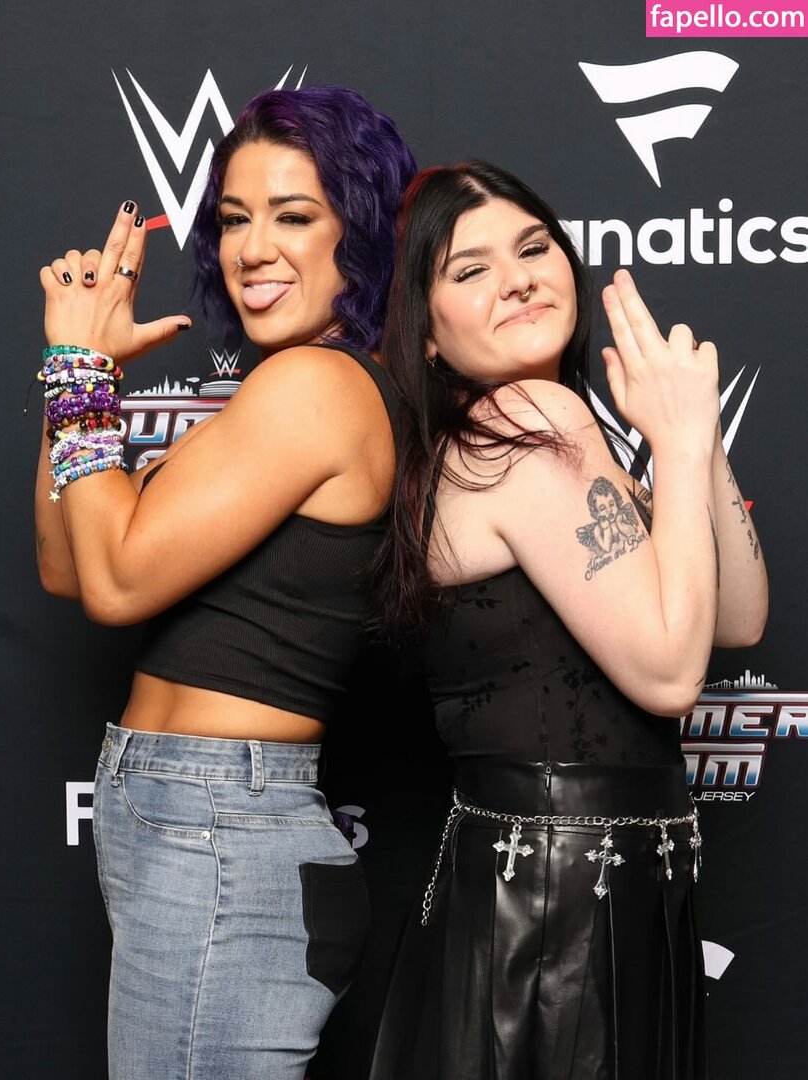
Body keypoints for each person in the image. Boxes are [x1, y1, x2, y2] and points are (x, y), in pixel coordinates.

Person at [34, 86, 416, 1080]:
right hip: (199, 822)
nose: (252, 248)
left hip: (221, 829)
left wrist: (76, 369)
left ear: (362, 233)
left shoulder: (316, 385)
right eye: (235, 219)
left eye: (294, 216)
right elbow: (71, 561)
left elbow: (116, 584)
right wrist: (86, 380)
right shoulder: (282, 391)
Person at [368, 161, 768, 1080]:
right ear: (426, 334)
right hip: (557, 909)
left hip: (580, 886)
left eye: (533, 248)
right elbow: (671, 673)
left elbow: (738, 617)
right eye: (470, 270)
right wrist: (674, 445)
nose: (516, 279)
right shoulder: (527, 421)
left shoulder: (554, 432)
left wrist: (694, 437)